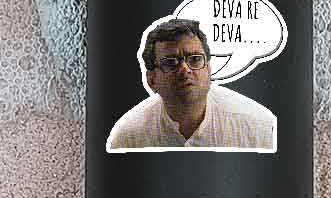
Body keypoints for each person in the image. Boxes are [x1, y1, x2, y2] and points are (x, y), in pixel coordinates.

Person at [107, 19, 276, 151]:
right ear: (152, 79)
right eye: (170, 62)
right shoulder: (128, 135)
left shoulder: (258, 127)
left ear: (208, 70)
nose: (185, 69)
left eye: (195, 59)